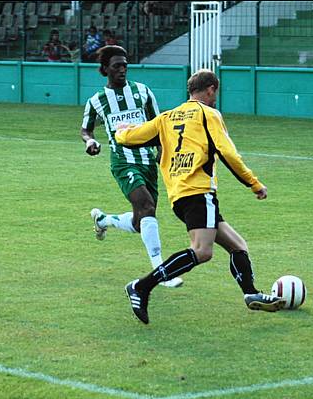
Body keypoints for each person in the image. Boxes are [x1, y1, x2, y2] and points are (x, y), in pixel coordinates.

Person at [115, 69, 286, 324]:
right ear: (211, 89)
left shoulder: (166, 118)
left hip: (180, 196)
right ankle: (141, 286)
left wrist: (121, 130)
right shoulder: (210, 114)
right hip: (199, 191)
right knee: (202, 251)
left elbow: (130, 137)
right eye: (215, 92)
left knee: (237, 245)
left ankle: (251, 294)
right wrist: (253, 183)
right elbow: (228, 154)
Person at [80, 45, 183, 289]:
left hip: (147, 162)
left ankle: (104, 220)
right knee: (146, 206)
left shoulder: (143, 92)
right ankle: (161, 273)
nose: (122, 69)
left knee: (142, 220)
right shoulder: (96, 101)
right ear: (105, 69)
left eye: (125, 64)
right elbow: (86, 129)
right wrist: (90, 141)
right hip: (122, 161)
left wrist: (162, 151)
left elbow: (159, 124)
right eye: (117, 65)